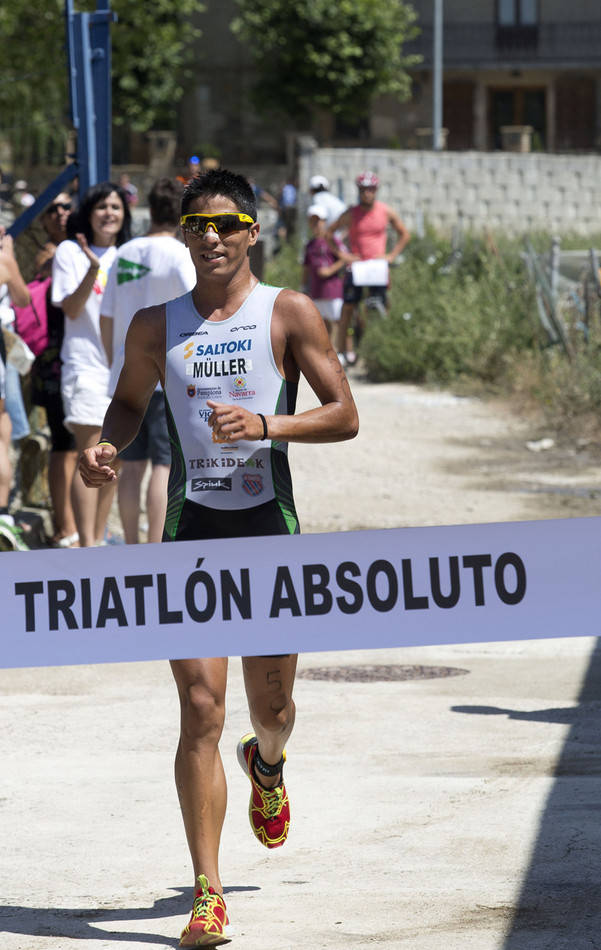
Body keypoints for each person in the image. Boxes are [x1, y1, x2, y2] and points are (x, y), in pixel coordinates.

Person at [79, 168, 359, 947]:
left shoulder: (288, 311)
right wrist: (106, 446)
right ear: (184, 235)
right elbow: (128, 404)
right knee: (200, 708)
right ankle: (208, 895)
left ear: (252, 232)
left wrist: (267, 426)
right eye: (197, 226)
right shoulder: (156, 324)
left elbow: (344, 414)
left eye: (226, 224)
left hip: (268, 529)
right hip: (191, 532)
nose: (211, 238)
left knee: (272, 711)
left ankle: (266, 764)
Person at [100, 177, 195, 544]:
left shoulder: (124, 253)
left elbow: (106, 316)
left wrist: (115, 362)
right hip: (164, 376)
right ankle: (156, 548)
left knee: (131, 466)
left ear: (149, 210)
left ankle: (131, 546)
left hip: (126, 375)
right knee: (164, 465)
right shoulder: (179, 254)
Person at [51, 181, 132, 547]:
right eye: (101, 207)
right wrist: (93, 269)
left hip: (124, 370)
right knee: (90, 457)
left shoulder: (131, 255)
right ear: (88, 213)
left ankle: (97, 540)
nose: (109, 213)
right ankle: (86, 546)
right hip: (85, 366)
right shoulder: (70, 252)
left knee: (114, 459)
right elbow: (70, 308)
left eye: (115, 207)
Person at [29, 194, 79, 547]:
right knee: (65, 445)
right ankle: (66, 526)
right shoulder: (49, 256)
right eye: (53, 209)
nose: (61, 213)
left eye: (66, 207)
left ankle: (72, 524)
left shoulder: (73, 251)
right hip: (55, 363)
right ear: (43, 220)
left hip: (74, 360)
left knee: (75, 444)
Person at [327, 170, 411, 366]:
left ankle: (380, 351)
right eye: (364, 189)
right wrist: (343, 255)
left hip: (377, 268)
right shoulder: (351, 213)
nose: (367, 193)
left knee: (378, 309)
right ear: (359, 191)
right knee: (348, 308)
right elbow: (329, 234)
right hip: (357, 267)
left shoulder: (385, 211)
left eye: (371, 189)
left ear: (376, 190)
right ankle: (342, 351)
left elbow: (404, 234)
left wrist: (391, 255)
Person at [303, 204, 346, 339]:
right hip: (316, 291)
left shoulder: (332, 240)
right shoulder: (310, 245)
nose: (316, 224)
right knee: (322, 325)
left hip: (333, 290)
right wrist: (303, 287)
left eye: (318, 221)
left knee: (339, 322)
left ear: (325, 221)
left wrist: (330, 270)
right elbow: (306, 267)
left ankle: (342, 349)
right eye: (313, 221)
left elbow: (344, 258)